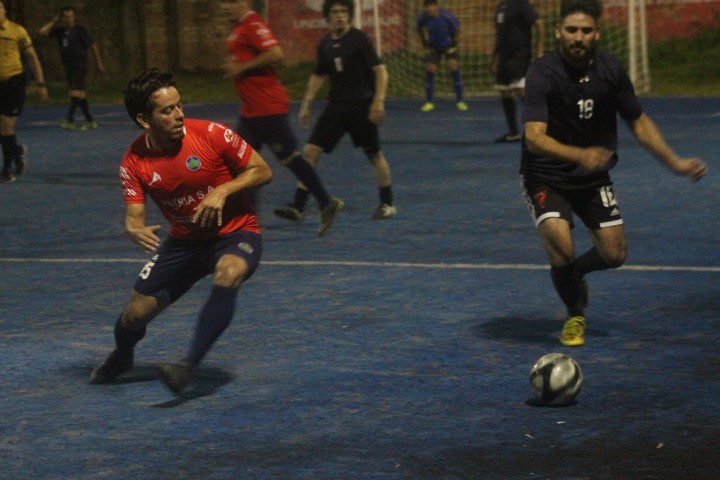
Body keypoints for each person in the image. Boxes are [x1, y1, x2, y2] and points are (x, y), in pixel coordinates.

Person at [520, 0, 707, 347]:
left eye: (586, 30)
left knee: (614, 254)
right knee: (560, 247)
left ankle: (575, 273)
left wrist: (675, 162)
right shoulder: (542, 73)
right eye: (571, 30)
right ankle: (575, 313)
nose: (578, 37)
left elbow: (638, 122)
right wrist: (580, 154)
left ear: (597, 33)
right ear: (559, 31)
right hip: (546, 176)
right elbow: (534, 138)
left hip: (592, 178)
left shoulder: (610, 70)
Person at [89, 69, 273, 395]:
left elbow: (262, 170)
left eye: (179, 105)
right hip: (184, 243)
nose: (179, 115)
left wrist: (223, 190)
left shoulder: (211, 134)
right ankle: (123, 355)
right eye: (167, 110)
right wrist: (134, 229)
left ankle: (187, 367)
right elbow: (134, 216)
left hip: (236, 233)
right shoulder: (134, 162)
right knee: (134, 315)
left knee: (229, 271)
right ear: (144, 120)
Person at [223, 0, 343, 237]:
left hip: (267, 108)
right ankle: (248, 221)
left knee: (289, 158)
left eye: (231, 2)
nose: (227, 7)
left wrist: (242, 67)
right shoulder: (238, 27)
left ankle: (326, 202)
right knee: (243, 162)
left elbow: (276, 53)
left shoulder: (253, 24)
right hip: (251, 110)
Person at [274, 0, 396, 222]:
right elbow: (318, 75)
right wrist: (306, 104)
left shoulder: (359, 39)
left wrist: (378, 101)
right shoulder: (325, 43)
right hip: (336, 107)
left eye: (343, 11)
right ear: (327, 16)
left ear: (349, 15)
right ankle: (298, 207)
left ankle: (387, 203)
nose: (340, 15)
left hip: (361, 106)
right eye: (335, 12)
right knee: (310, 151)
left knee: (374, 154)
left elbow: (380, 70)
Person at [0, 0, 49, 183]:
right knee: (4, 129)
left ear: (5, 11)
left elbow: (32, 58)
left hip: (13, 82)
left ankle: (7, 169)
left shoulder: (17, 31)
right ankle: (16, 151)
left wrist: (41, 84)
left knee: (6, 124)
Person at [39, 5, 105, 131]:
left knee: (75, 92)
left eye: (70, 16)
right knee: (80, 94)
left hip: (79, 65)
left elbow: (93, 46)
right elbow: (42, 32)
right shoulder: (60, 31)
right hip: (68, 66)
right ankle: (90, 120)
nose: (68, 19)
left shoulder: (80, 30)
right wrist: (54, 20)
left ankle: (70, 120)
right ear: (62, 18)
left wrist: (99, 63)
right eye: (66, 17)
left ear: (74, 17)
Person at [491, 0, 544, 143]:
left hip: (519, 54)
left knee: (520, 89)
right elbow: (499, 35)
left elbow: (539, 24)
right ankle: (513, 133)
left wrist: (539, 49)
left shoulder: (521, 3)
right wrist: (493, 59)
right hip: (504, 57)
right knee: (505, 91)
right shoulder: (501, 6)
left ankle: (545, 127)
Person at [416, 0, 467, 112]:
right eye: (426, 7)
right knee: (431, 68)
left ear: (436, 6)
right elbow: (419, 29)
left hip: (448, 45)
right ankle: (429, 102)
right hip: (433, 46)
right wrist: (423, 41)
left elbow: (457, 29)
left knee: (453, 66)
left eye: (430, 6)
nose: (428, 9)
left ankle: (460, 101)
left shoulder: (447, 16)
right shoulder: (423, 17)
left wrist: (455, 43)